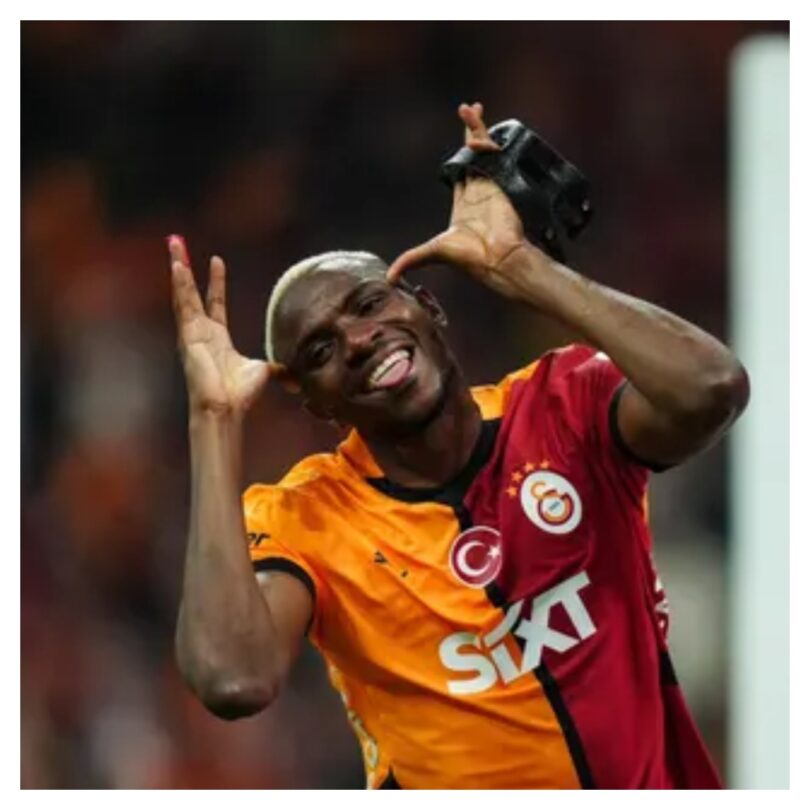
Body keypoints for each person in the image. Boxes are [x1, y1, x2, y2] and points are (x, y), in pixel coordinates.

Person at [169, 102, 749, 789]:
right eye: (321, 350)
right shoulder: (309, 518)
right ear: (315, 401)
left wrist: (524, 267)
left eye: (369, 304)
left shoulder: (565, 406)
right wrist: (213, 421)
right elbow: (233, 680)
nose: (359, 340)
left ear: (428, 305)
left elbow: (712, 389)